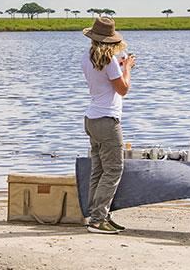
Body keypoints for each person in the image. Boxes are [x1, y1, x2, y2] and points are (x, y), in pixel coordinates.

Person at [81, 16, 136, 234]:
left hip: (92, 119)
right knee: (113, 170)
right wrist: (127, 68)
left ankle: (95, 215)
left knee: (99, 170)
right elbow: (123, 89)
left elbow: (102, 78)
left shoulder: (87, 57)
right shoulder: (109, 61)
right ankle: (98, 220)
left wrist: (118, 67)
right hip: (107, 121)